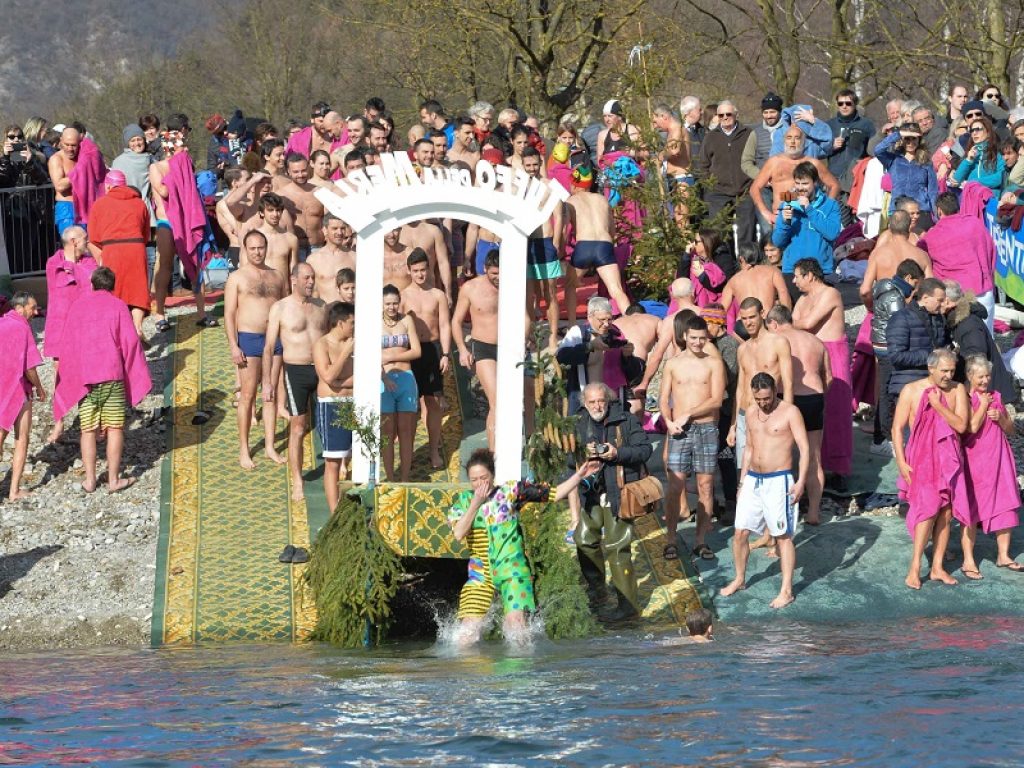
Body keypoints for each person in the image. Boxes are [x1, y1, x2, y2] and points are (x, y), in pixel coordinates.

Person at [449, 448, 601, 645]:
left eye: (484, 478)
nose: (479, 484)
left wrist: (579, 476)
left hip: (512, 569)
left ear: (493, 475)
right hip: (480, 573)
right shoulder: (463, 501)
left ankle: (521, 662)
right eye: (474, 480)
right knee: (467, 633)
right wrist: (475, 504)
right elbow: (459, 533)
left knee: (516, 628)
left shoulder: (510, 491)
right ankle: (469, 665)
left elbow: (554, 494)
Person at [53, 268, 153, 494]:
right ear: (113, 286)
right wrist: (137, 375)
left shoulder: (78, 306)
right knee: (115, 427)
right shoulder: (118, 305)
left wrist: (68, 375)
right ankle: (114, 480)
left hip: (85, 377)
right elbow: (130, 343)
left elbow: (68, 342)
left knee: (87, 429)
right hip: (111, 374)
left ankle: (90, 480)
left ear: (92, 284)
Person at [720, 372, 809, 609]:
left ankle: (786, 590)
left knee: (783, 536)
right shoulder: (751, 412)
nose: (763, 403)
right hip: (753, 479)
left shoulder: (790, 412)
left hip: (779, 479)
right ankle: (739, 578)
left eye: (767, 398)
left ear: (774, 391)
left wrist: (800, 481)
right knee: (740, 532)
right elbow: (749, 448)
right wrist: (742, 482)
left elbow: (804, 448)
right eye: (758, 399)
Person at [571, 382, 652, 622]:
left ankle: (628, 608)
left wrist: (617, 453)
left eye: (601, 401)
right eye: (592, 402)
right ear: (584, 403)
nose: (597, 406)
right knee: (584, 539)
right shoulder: (579, 423)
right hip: (591, 493)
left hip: (618, 491)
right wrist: (583, 454)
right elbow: (567, 459)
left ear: (608, 400)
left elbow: (645, 450)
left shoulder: (625, 419)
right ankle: (598, 594)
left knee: (617, 547)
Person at [892, 348, 969, 589]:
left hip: (949, 459)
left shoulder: (958, 390)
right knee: (927, 511)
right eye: (944, 371)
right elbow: (897, 428)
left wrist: (938, 405)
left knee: (946, 512)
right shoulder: (911, 390)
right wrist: (901, 461)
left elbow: (961, 426)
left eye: (952, 371)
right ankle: (914, 568)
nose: (948, 375)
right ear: (931, 368)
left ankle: (937, 567)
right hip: (921, 459)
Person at [660, 316, 726, 561]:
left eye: (702, 338)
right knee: (675, 485)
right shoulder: (673, 364)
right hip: (679, 429)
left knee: (705, 485)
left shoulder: (714, 363)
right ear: (685, 337)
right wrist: (668, 421)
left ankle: (700, 540)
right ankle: (670, 538)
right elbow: (663, 399)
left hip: (706, 428)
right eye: (694, 338)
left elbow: (716, 400)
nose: (698, 343)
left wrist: (689, 413)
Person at [224, 230, 288, 469]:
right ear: (245, 249)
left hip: (274, 338)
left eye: (261, 247)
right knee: (248, 394)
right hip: (249, 337)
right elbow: (229, 313)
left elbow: (286, 306)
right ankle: (244, 448)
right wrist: (233, 344)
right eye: (252, 248)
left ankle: (270, 446)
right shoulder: (237, 278)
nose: (257, 252)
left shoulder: (277, 276)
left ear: (266, 247)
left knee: (270, 394)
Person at [263, 263, 327, 500]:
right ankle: (298, 480)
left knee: (330, 421)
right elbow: (269, 347)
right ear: (294, 280)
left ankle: (338, 467)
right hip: (296, 371)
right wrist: (267, 382)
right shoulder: (280, 308)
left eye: (313, 277)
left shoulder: (322, 306)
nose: (311, 282)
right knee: (298, 427)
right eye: (306, 278)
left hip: (321, 369)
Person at [765, 304, 830, 524]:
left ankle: (779, 508)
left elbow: (772, 375)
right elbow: (828, 377)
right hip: (814, 397)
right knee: (813, 455)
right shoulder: (816, 341)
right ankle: (814, 512)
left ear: (774, 324)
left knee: (780, 453)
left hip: (787, 397)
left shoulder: (777, 340)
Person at [959, 355, 1023, 577]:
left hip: (999, 458)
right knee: (971, 508)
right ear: (970, 376)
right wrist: (983, 406)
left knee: (1005, 504)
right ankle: (968, 560)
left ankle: (1003, 555)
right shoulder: (964, 398)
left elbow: (1011, 430)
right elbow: (970, 428)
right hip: (974, 460)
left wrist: (1001, 418)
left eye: (987, 376)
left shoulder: (996, 396)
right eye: (981, 377)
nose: (985, 380)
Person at [792, 258, 851, 491]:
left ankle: (839, 469)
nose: (794, 281)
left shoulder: (830, 294)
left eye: (797, 276)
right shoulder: (803, 298)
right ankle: (815, 465)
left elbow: (806, 322)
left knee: (836, 410)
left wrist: (794, 323)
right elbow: (795, 320)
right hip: (811, 353)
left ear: (810, 275)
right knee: (814, 409)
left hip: (833, 352)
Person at [43, 227, 97, 443]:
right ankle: (59, 421)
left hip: (84, 326)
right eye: (85, 239)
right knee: (60, 375)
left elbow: (92, 282)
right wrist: (72, 267)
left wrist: (73, 268)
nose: (88, 242)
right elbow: (63, 279)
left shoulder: (89, 262)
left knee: (89, 373)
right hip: (60, 326)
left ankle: (91, 422)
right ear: (74, 242)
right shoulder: (53, 263)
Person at [868, 258, 925, 455]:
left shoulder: (886, 289)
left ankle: (884, 435)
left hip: (881, 344)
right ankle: (882, 438)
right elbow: (900, 323)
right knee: (887, 393)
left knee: (886, 391)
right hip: (889, 348)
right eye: (915, 284)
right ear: (908, 278)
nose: (915, 289)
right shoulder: (895, 297)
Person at [918, 192, 997, 334]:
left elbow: (920, 259)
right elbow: (991, 251)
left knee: (959, 341)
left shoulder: (931, 236)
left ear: (939, 210)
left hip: (953, 299)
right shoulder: (975, 223)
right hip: (983, 291)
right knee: (986, 339)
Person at [729, 298, 794, 470]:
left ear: (762, 314)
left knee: (767, 465)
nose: (748, 323)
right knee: (743, 469)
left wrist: (787, 418)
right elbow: (740, 389)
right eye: (744, 319)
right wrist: (733, 424)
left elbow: (788, 384)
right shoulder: (742, 349)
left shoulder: (778, 342)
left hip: (767, 412)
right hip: (744, 413)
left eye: (752, 317)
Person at [401, 250, 452, 470]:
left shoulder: (438, 295)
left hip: (432, 349)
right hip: (411, 351)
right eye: (416, 271)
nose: (420, 274)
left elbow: (444, 325)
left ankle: (433, 450)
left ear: (429, 269)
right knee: (410, 405)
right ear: (409, 271)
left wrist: (446, 354)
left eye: (423, 270)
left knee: (433, 403)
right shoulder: (403, 297)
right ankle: (409, 451)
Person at [87, 170, 151, 335]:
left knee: (114, 290)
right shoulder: (140, 203)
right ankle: (137, 328)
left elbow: (93, 238)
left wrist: (101, 259)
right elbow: (146, 235)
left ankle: (118, 332)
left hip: (112, 250)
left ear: (108, 186)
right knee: (138, 290)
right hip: (136, 249)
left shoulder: (99, 204)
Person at [556, 296, 643, 416]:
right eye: (602, 320)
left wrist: (627, 357)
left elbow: (632, 375)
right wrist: (589, 346)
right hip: (586, 403)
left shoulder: (617, 335)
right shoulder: (578, 333)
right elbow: (561, 357)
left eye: (609, 319)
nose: (606, 324)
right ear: (590, 317)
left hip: (612, 403)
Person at [565, 164, 632, 315]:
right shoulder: (602, 200)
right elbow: (612, 231)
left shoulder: (571, 201)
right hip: (604, 246)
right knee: (617, 290)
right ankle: (631, 321)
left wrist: (562, 250)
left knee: (570, 286)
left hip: (584, 246)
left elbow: (565, 231)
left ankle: (572, 324)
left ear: (573, 184)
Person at [453, 250, 501, 450]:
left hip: (509, 346)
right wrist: (462, 349)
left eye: (501, 273)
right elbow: (456, 321)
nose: (498, 278)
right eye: (494, 274)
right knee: (496, 401)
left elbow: (526, 315)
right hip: (483, 347)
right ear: (484, 269)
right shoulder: (470, 288)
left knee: (511, 400)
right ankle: (493, 454)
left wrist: (527, 335)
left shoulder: (514, 284)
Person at [0, 293, 46, 500]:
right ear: (19, 308)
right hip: (18, 390)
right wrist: (40, 388)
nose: (36, 312)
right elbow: (29, 368)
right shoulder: (22, 327)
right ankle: (14, 491)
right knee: (22, 438)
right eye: (32, 308)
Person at [750, 125, 840, 229]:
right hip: (781, 217)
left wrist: (826, 209)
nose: (792, 141)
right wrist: (766, 213)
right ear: (784, 140)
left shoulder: (813, 163)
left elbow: (834, 185)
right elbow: (754, 188)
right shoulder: (774, 162)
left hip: (807, 218)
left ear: (803, 141)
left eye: (797, 138)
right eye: (789, 137)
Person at [693, 100, 756, 247]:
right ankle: (724, 260)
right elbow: (703, 164)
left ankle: (746, 259)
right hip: (718, 193)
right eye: (721, 115)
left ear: (736, 114)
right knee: (719, 234)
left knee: (746, 233)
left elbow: (756, 159)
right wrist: (710, 184)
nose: (725, 117)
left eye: (728, 114)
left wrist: (753, 182)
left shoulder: (748, 134)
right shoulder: (711, 137)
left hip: (745, 191)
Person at [771, 161, 842, 289]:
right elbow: (778, 242)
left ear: (815, 182)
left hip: (821, 271)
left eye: (805, 183)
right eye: (797, 183)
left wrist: (809, 210)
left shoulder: (830, 205)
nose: (800, 188)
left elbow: (833, 234)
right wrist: (785, 222)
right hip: (793, 271)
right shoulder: (787, 204)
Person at [313, 301, 355, 512]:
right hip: (332, 406)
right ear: (340, 323)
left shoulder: (355, 342)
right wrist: (345, 353)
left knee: (356, 457)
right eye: (352, 323)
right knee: (333, 462)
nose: (354, 327)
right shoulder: (322, 345)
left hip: (354, 403)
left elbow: (364, 375)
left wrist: (341, 383)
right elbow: (328, 377)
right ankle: (333, 514)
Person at [943, 281, 1016, 402]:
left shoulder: (968, 324)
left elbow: (977, 355)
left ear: (947, 301)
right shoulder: (958, 320)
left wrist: (953, 357)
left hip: (985, 389)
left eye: (940, 299)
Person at [380, 284, 421, 482]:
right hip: (384, 380)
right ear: (382, 303)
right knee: (387, 432)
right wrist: (383, 375)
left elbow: (417, 351)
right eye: (388, 303)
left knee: (406, 430)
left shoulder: (407, 320)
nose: (392, 307)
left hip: (406, 377)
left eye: (395, 303)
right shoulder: (374, 322)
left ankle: (405, 478)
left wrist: (390, 357)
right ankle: (390, 477)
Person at [873, 122, 939, 222]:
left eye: (914, 138)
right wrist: (898, 134)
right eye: (907, 138)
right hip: (898, 210)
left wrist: (936, 216)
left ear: (919, 139)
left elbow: (933, 191)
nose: (910, 142)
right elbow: (878, 150)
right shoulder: (893, 159)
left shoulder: (926, 162)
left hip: (920, 211)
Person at [720, 243, 791, 328]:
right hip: (765, 320)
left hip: (742, 324)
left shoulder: (733, 280)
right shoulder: (773, 271)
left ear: (741, 259)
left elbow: (721, 310)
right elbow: (783, 293)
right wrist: (786, 321)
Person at [825, 89, 874, 191]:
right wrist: (831, 146)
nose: (844, 106)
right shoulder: (829, 125)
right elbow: (818, 151)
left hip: (857, 177)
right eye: (840, 103)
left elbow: (873, 151)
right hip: (833, 178)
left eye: (848, 103)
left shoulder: (866, 124)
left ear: (855, 104)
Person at [278, 153, 326, 260]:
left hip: (318, 246)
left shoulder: (320, 192)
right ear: (288, 171)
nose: (300, 175)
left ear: (308, 168)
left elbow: (328, 219)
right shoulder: (281, 195)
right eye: (296, 172)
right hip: (296, 248)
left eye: (303, 170)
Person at [248, 192, 299, 284]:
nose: (275, 214)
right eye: (270, 210)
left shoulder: (291, 239)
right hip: (260, 288)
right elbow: (245, 269)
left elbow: (293, 273)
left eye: (278, 210)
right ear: (261, 213)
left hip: (283, 289)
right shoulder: (252, 238)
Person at [306, 215, 356, 303]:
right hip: (325, 309)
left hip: (350, 309)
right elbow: (313, 292)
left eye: (342, 228)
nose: (339, 232)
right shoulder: (314, 259)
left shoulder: (354, 257)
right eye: (335, 228)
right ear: (325, 230)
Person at [951, 116, 1005, 193]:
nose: (974, 133)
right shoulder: (970, 153)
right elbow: (956, 179)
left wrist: (975, 183)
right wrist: (968, 160)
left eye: (978, 129)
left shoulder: (997, 152)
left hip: (990, 196)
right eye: (972, 130)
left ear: (988, 133)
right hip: (970, 197)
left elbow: (1002, 176)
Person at [47, 127, 80, 236]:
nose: (70, 149)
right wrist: (79, 171)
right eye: (67, 144)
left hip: (85, 207)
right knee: (73, 243)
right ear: (61, 141)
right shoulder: (56, 159)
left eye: (74, 145)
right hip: (67, 208)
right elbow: (60, 186)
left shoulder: (83, 157)